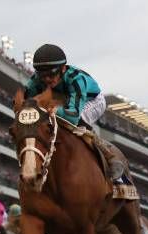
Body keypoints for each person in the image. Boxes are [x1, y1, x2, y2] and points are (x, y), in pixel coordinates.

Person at [23, 43, 127, 182]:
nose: (47, 79)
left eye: (52, 73)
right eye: (43, 75)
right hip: (64, 100)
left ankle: (109, 156)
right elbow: (24, 107)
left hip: (92, 101)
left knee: (79, 122)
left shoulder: (77, 80)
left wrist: (49, 111)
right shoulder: (35, 81)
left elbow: (72, 116)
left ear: (63, 68)